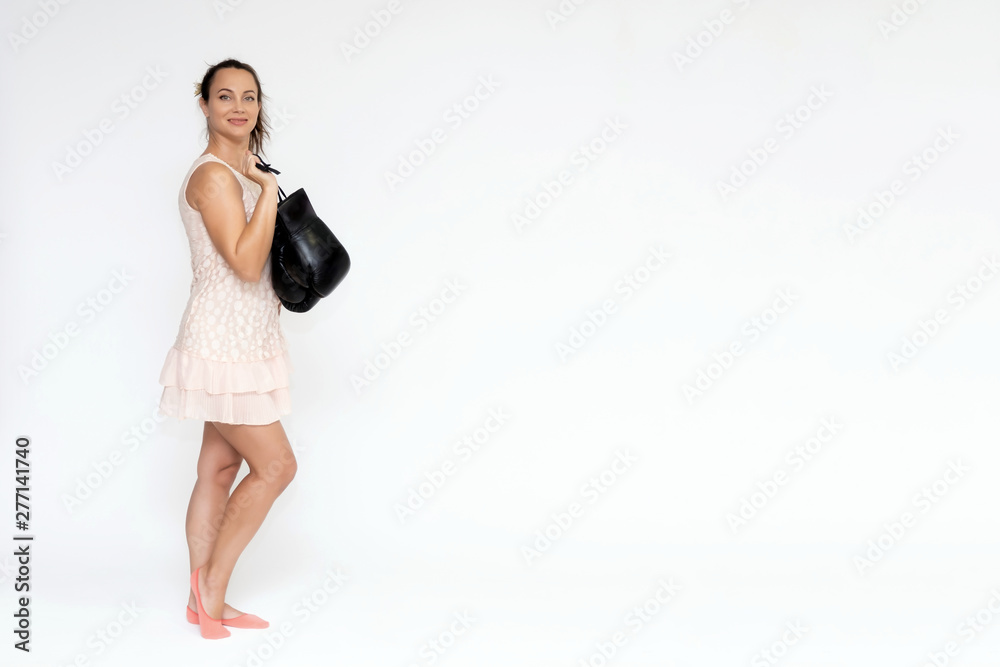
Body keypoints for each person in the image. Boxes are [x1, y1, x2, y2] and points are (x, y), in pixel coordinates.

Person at [156, 58, 297, 640]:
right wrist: (267, 189)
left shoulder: (244, 170)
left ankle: (201, 603)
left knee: (218, 467)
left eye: (249, 96)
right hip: (220, 341)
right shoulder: (214, 176)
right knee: (277, 466)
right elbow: (243, 262)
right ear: (205, 105)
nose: (238, 106)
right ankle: (210, 585)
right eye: (224, 97)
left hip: (247, 337)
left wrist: (259, 180)